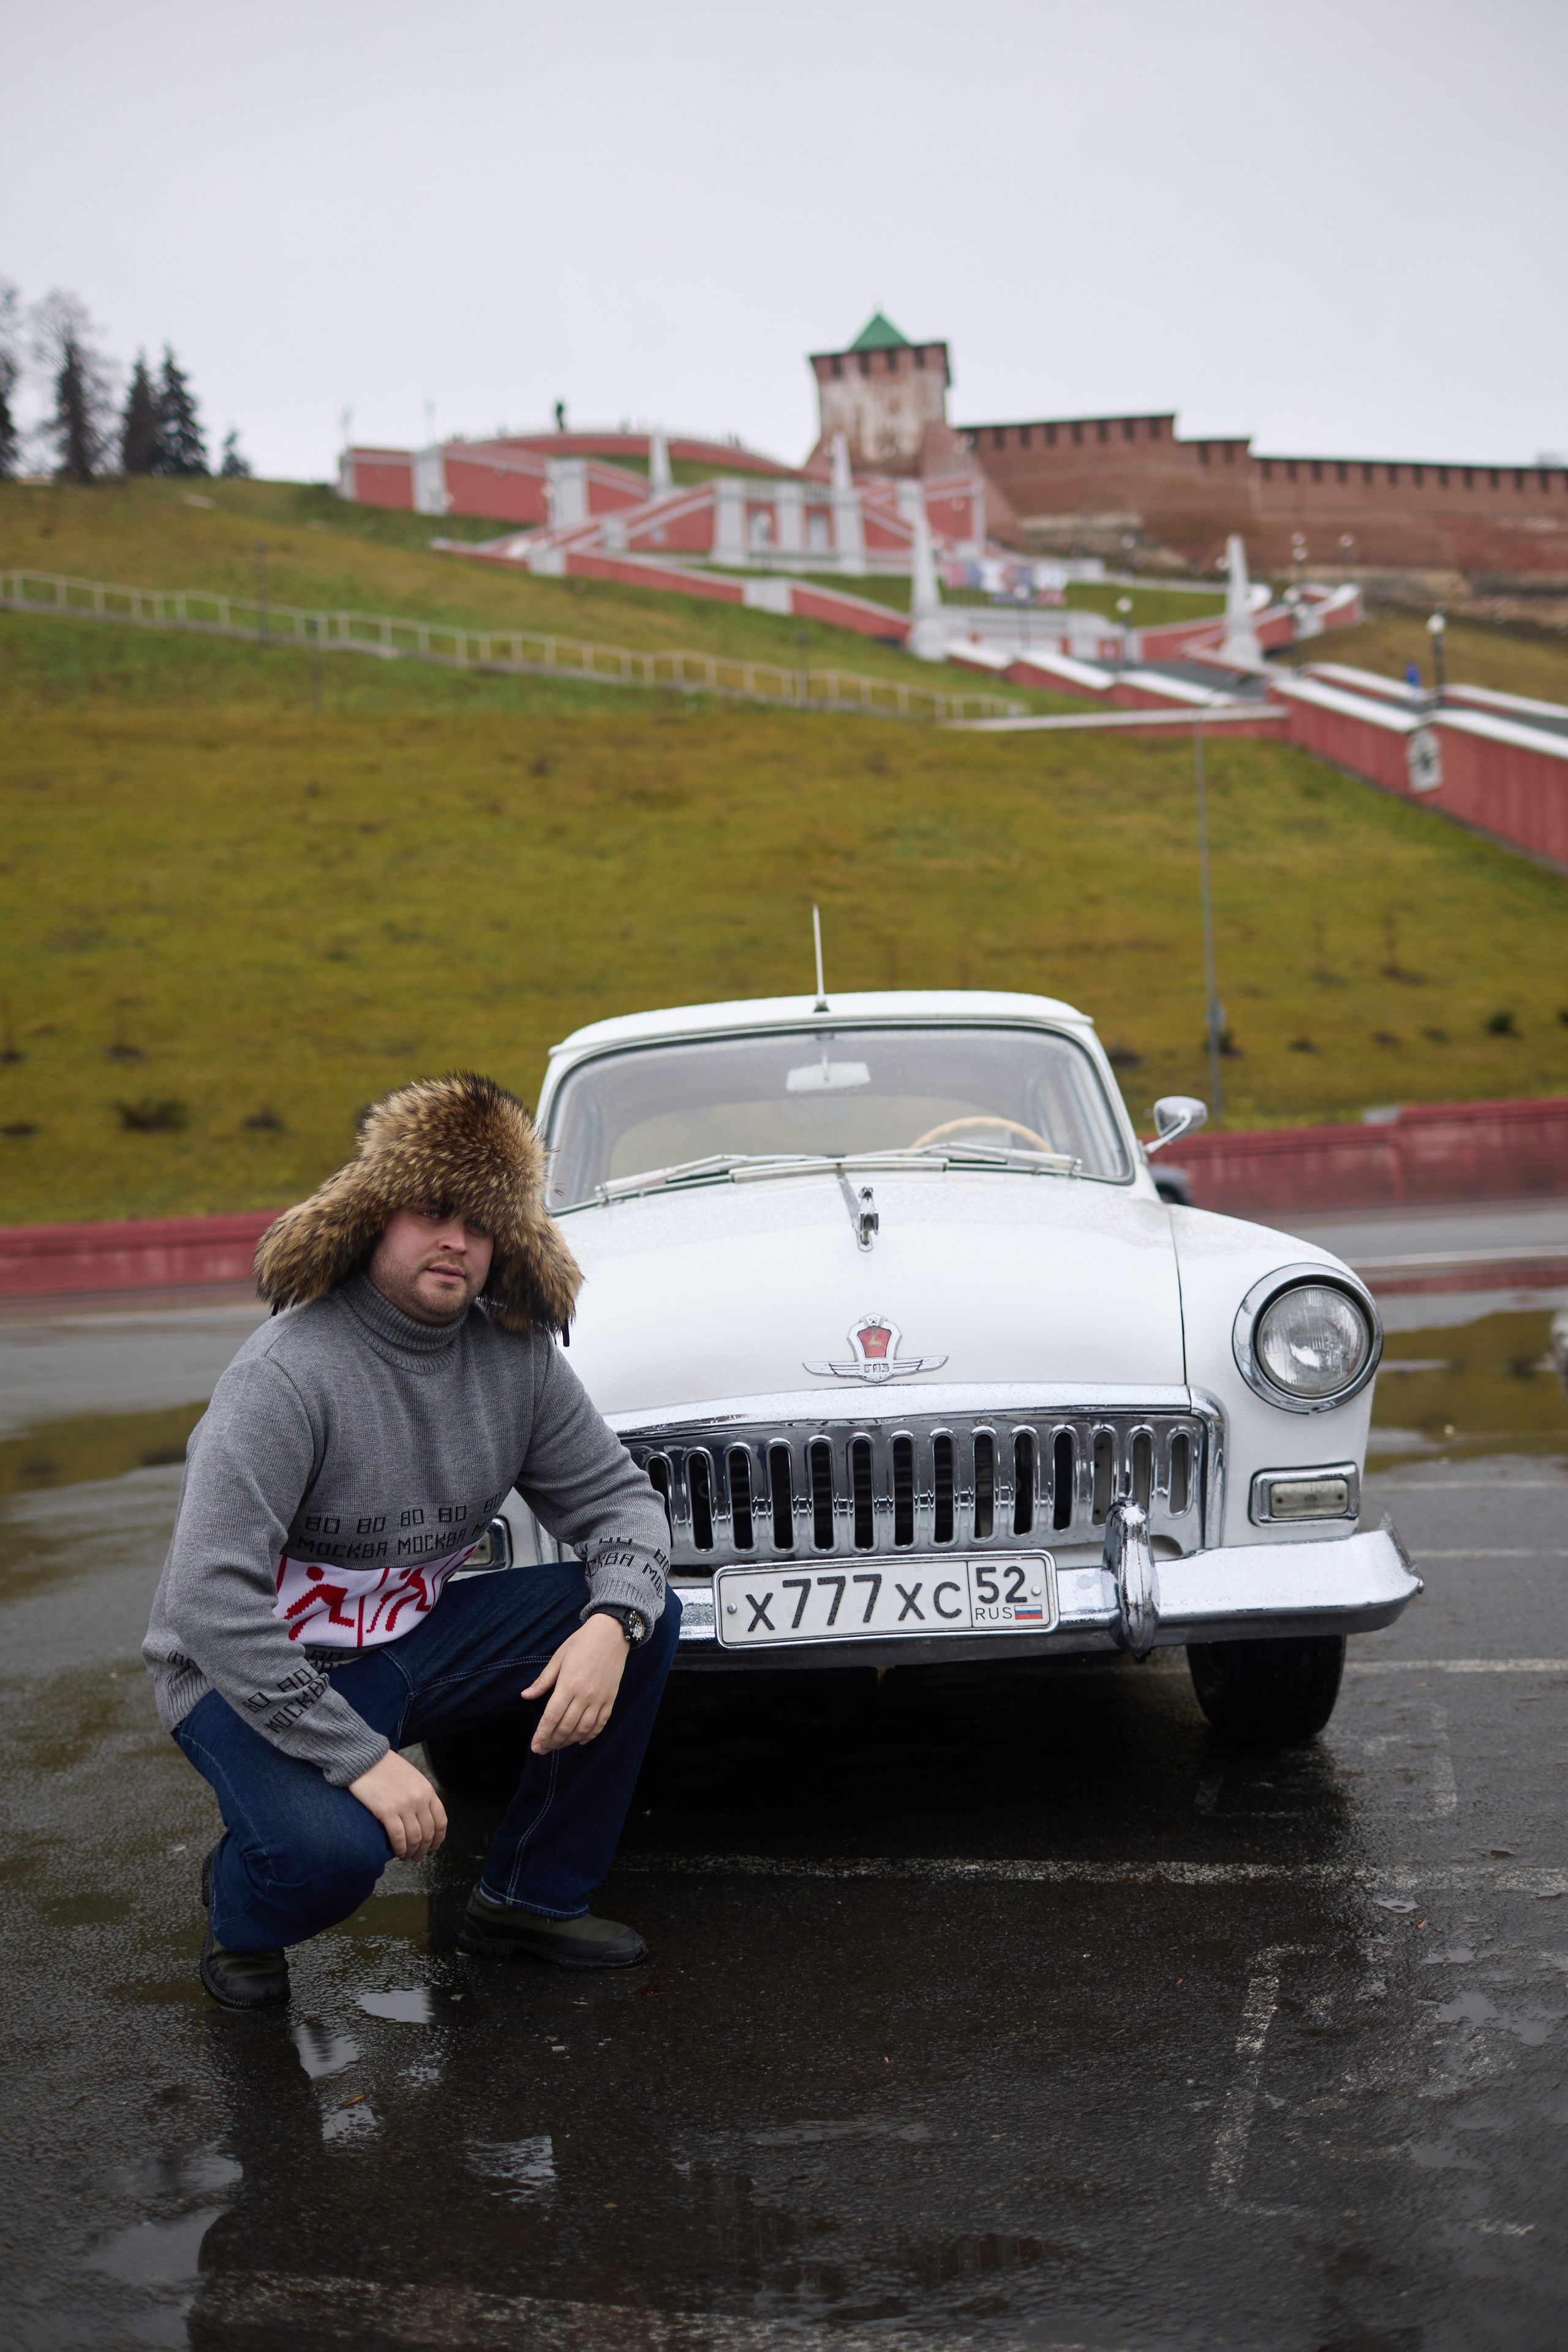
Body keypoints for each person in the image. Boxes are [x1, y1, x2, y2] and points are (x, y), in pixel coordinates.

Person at [143, 1072, 677, 2010]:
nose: (456, 1242)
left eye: (480, 1224)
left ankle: (528, 1900)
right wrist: (361, 1760)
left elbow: (622, 1507)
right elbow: (208, 1601)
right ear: (375, 1217)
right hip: (243, 1675)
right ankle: (242, 1908)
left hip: (403, 1647)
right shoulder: (288, 1375)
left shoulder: (517, 1360)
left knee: (646, 1616)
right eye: (433, 1212)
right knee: (331, 1857)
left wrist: (612, 1625)